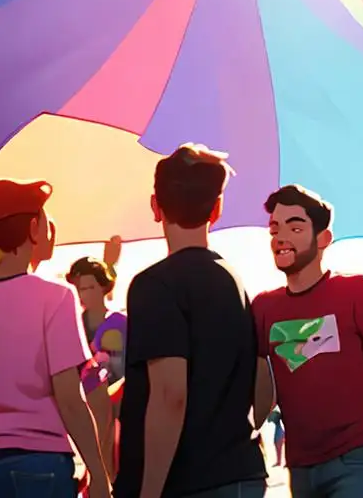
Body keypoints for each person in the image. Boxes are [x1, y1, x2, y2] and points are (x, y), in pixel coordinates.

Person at [251, 184, 363, 498]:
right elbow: (263, 389)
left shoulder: (358, 292)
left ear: (323, 239)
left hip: (358, 459)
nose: (280, 237)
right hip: (300, 468)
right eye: (275, 228)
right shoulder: (263, 307)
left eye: (295, 226)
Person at [114, 144, 268, 498]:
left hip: (185, 482)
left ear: (156, 206)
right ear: (216, 209)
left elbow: (170, 395)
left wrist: (148, 491)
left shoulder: (153, 285)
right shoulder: (234, 281)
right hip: (241, 471)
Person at [0, 179, 111, 498]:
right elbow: (70, 398)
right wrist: (99, 475)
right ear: (34, 229)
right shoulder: (56, 298)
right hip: (38, 464)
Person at [67, 254, 127, 476]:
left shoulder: (120, 323)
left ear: (103, 286)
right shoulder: (73, 324)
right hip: (81, 398)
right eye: (81, 289)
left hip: (116, 398)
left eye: (90, 287)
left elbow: (126, 364)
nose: (85, 294)